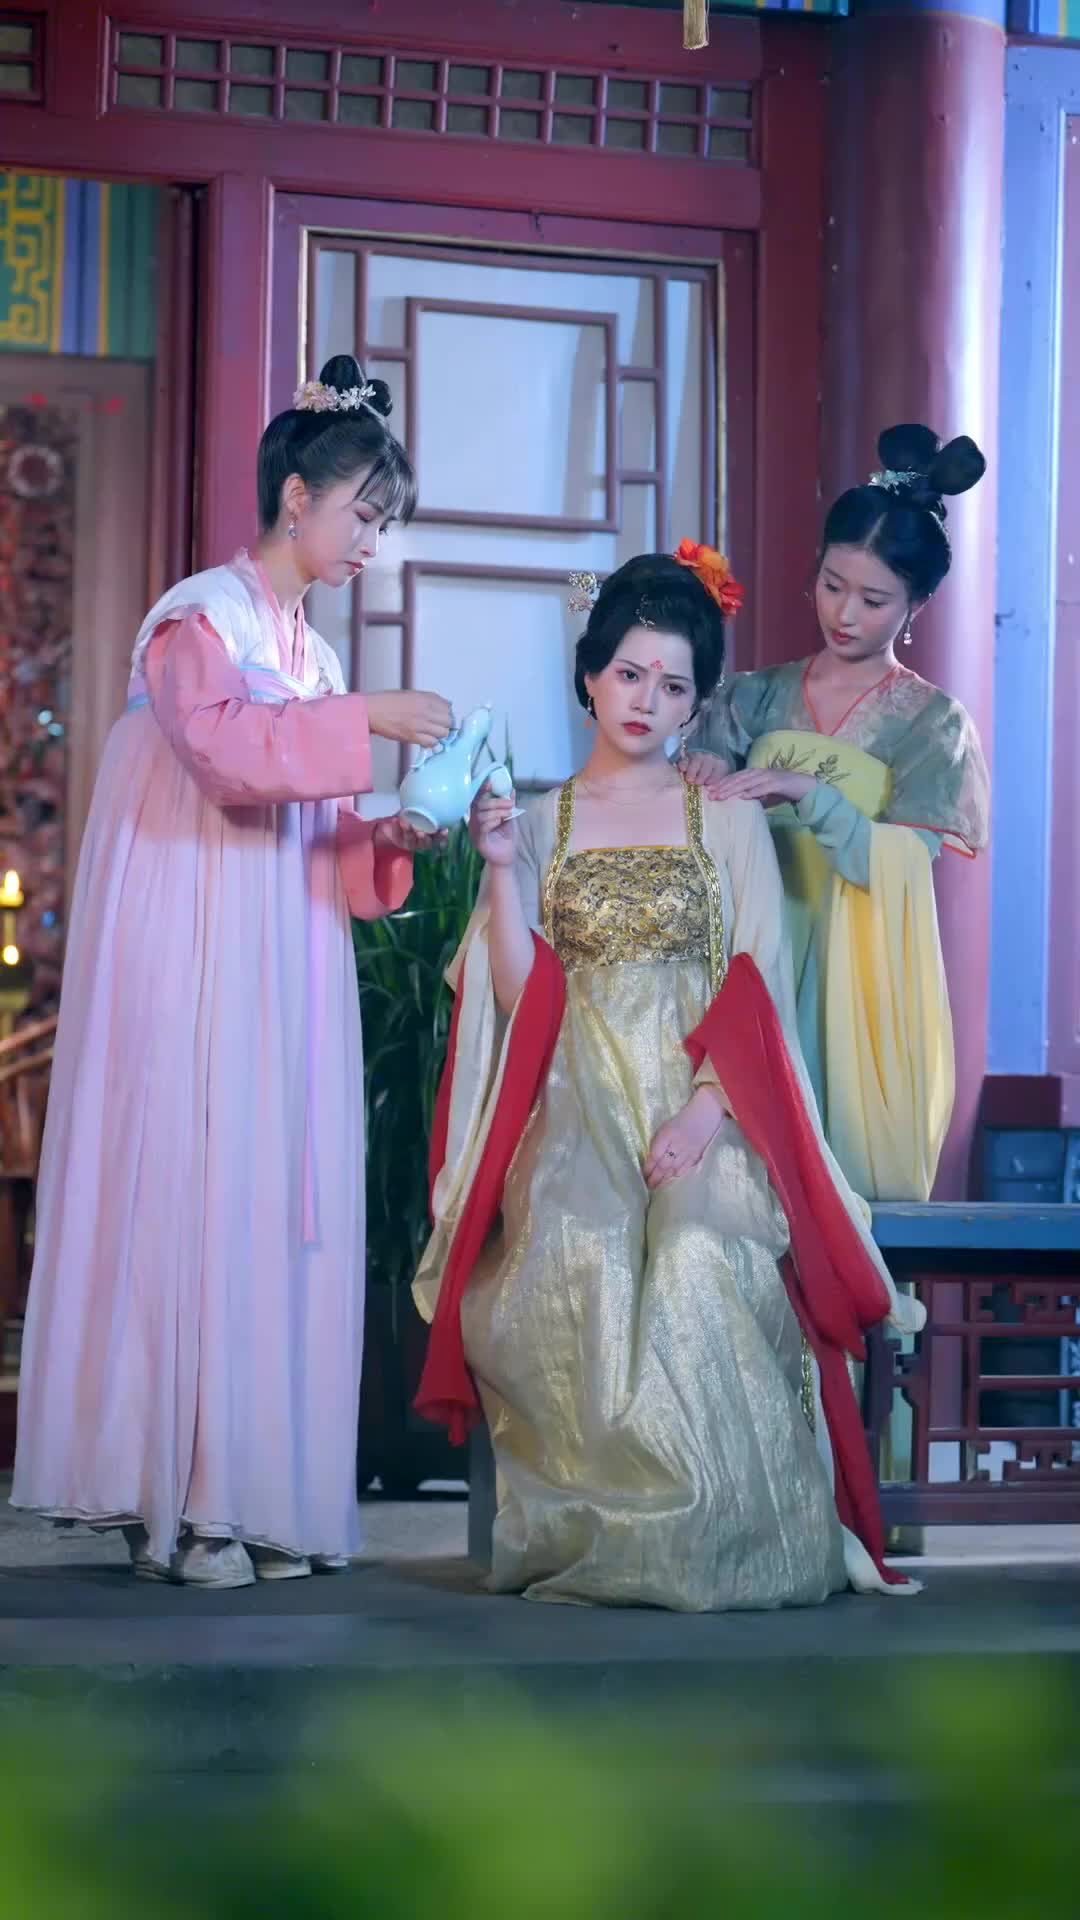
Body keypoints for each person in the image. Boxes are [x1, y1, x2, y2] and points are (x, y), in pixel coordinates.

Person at [411, 545, 923, 1612]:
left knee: (698, 1259)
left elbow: (758, 982)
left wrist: (703, 1113)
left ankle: (729, 1539)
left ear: (698, 701)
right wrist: (500, 874)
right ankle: (600, 1537)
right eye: (630, 674)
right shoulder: (540, 822)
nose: (648, 701)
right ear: (590, 676)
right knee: (573, 1260)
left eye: (676, 685)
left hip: (707, 1107)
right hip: (574, 1106)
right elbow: (517, 995)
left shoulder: (723, 814)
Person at [12, 354, 451, 1588]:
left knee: (269, 1191)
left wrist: (392, 834)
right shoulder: (198, 617)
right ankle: (182, 1504)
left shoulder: (312, 656)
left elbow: (318, 838)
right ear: (297, 497)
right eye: (362, 513)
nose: (370, 540)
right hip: (190, 935)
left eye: (383, 521)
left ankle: (251, 1496)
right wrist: (369, 720)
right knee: (191, 1178)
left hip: (280, 957)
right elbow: (224, 756)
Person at [681, 426, 990, 1203]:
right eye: (831, 585)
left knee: (828, 1194)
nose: (844, 613)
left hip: (854, 978)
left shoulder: (932, 725)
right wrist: (704, 772)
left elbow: (904, 866)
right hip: (749, 951)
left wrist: (806, 792)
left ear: (917, 605)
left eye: (873, 600)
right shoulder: (749, 696)